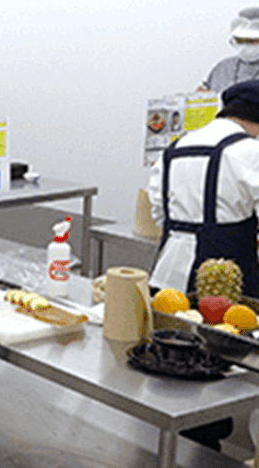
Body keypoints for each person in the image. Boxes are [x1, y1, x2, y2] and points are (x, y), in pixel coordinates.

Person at [147, 80, 259, 451]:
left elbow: (158, 211)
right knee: (221, 369)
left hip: (168, 271)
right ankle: (206, 448)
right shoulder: (249, 150)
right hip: (222, 275)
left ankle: (172, 447)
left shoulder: (177, 146)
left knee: (171, 363)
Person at [200, 7, 259, 93]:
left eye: (253, 41)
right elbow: (205, 94)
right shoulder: (222, 68)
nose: (246, 45)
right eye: (240, 40)